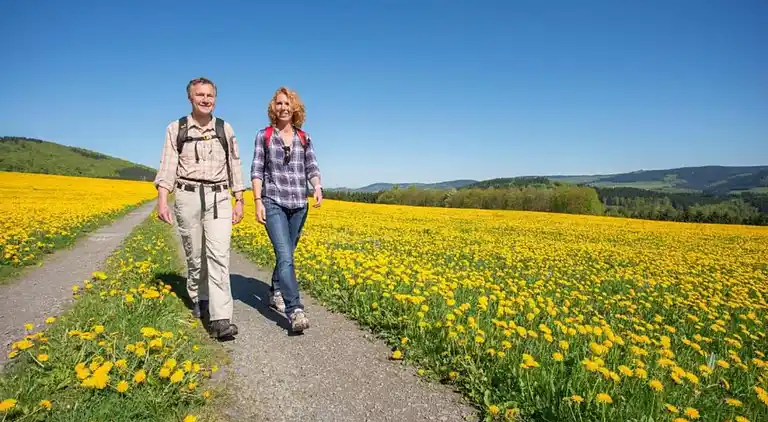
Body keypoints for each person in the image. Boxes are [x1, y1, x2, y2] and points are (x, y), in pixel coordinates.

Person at [154, 77, 246, 340]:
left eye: (210, 95)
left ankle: (220, 319)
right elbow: (168, 165)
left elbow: (235, 165)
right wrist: (163, 200)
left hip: (219, 197)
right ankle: (199, 296)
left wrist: (240, 199)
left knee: (219, 255)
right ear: (190, 98)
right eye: (200, 95)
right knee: (195, 256)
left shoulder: (224, 128)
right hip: (187, 195)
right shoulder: (176, 128)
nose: (206, 99)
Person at [250, 86, 323, 333]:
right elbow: (257, 170)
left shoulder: (305, 137)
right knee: (285, 254)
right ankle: (295, 310)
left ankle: (275, 290)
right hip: (274, 202)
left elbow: (311, 167)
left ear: (295, 109)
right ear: (274, 108)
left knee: (287, 254)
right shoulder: (264, 136)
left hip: (299, 205)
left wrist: (317, 187)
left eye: (287, 104)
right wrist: (257, 200)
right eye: (279, 104)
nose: (283, 108)